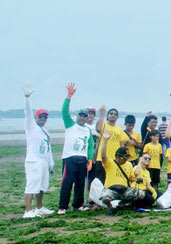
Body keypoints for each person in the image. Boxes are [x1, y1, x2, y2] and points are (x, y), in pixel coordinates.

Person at [58, 83, 94, 215]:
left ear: (88, 118)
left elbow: (90, 145)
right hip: (69, 158)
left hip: (82, 159)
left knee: (80, 183)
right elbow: (64, 111)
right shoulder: (70, 125)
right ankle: (62, 206)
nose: (83, 118)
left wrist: (89, 160)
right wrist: (69, 96)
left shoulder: (87, 130)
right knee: (67, 183)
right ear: (77, 116)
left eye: (85, 116)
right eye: (81, 116)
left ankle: (77, 204)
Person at [22, 85, 55, 218]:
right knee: (31, 186)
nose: (43, 118)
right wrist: (27, 98)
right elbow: (28, 113)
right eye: (40, 116)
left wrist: (51, 163)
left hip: (43, 162)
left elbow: (48, 148)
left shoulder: (45, 131)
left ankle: (39, 208)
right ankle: (28, 211)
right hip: (33, 161)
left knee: (42, 186)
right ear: (36, 117)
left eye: (45, 117)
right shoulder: (31, 127)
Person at [99, 131, 152, 211]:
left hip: (124, 189)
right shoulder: (110, 163)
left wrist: (137, 180)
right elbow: (103, 155)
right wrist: (105, 140)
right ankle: (110, 207)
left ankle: (122, 204)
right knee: (105, 197)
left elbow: (131, 177)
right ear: (118, 157)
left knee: (140, 194)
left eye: (127, 157)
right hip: (111, 188)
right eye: (124, 157)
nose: (126, 159)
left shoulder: (129, 164)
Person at [95, 105, 127, 183]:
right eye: (111, 113)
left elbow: (121, 144)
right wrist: (102, 114)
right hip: (102, 158)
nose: (113, 115)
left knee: (112, 181)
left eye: (115, 114)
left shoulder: (119, 129)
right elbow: (98, 129)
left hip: (115, 160)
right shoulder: (104, 125)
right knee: (101, 181)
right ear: (108, 116)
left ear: (117, 117)